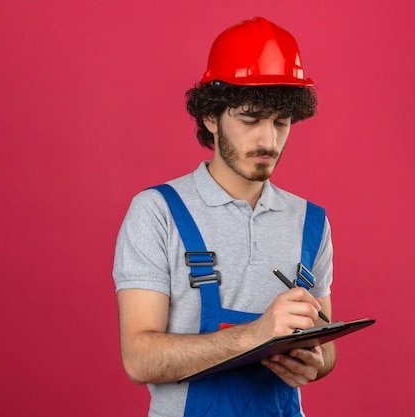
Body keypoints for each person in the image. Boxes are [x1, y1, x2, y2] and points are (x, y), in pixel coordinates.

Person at [113, 16, 335, 417]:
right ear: (211, 117)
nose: (268, 140)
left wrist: (315, 363)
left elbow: (327, 345)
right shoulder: (157, 213)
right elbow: (139, 358)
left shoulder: (310, 221)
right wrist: (257, 335)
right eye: (250, 119)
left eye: (281, 123)